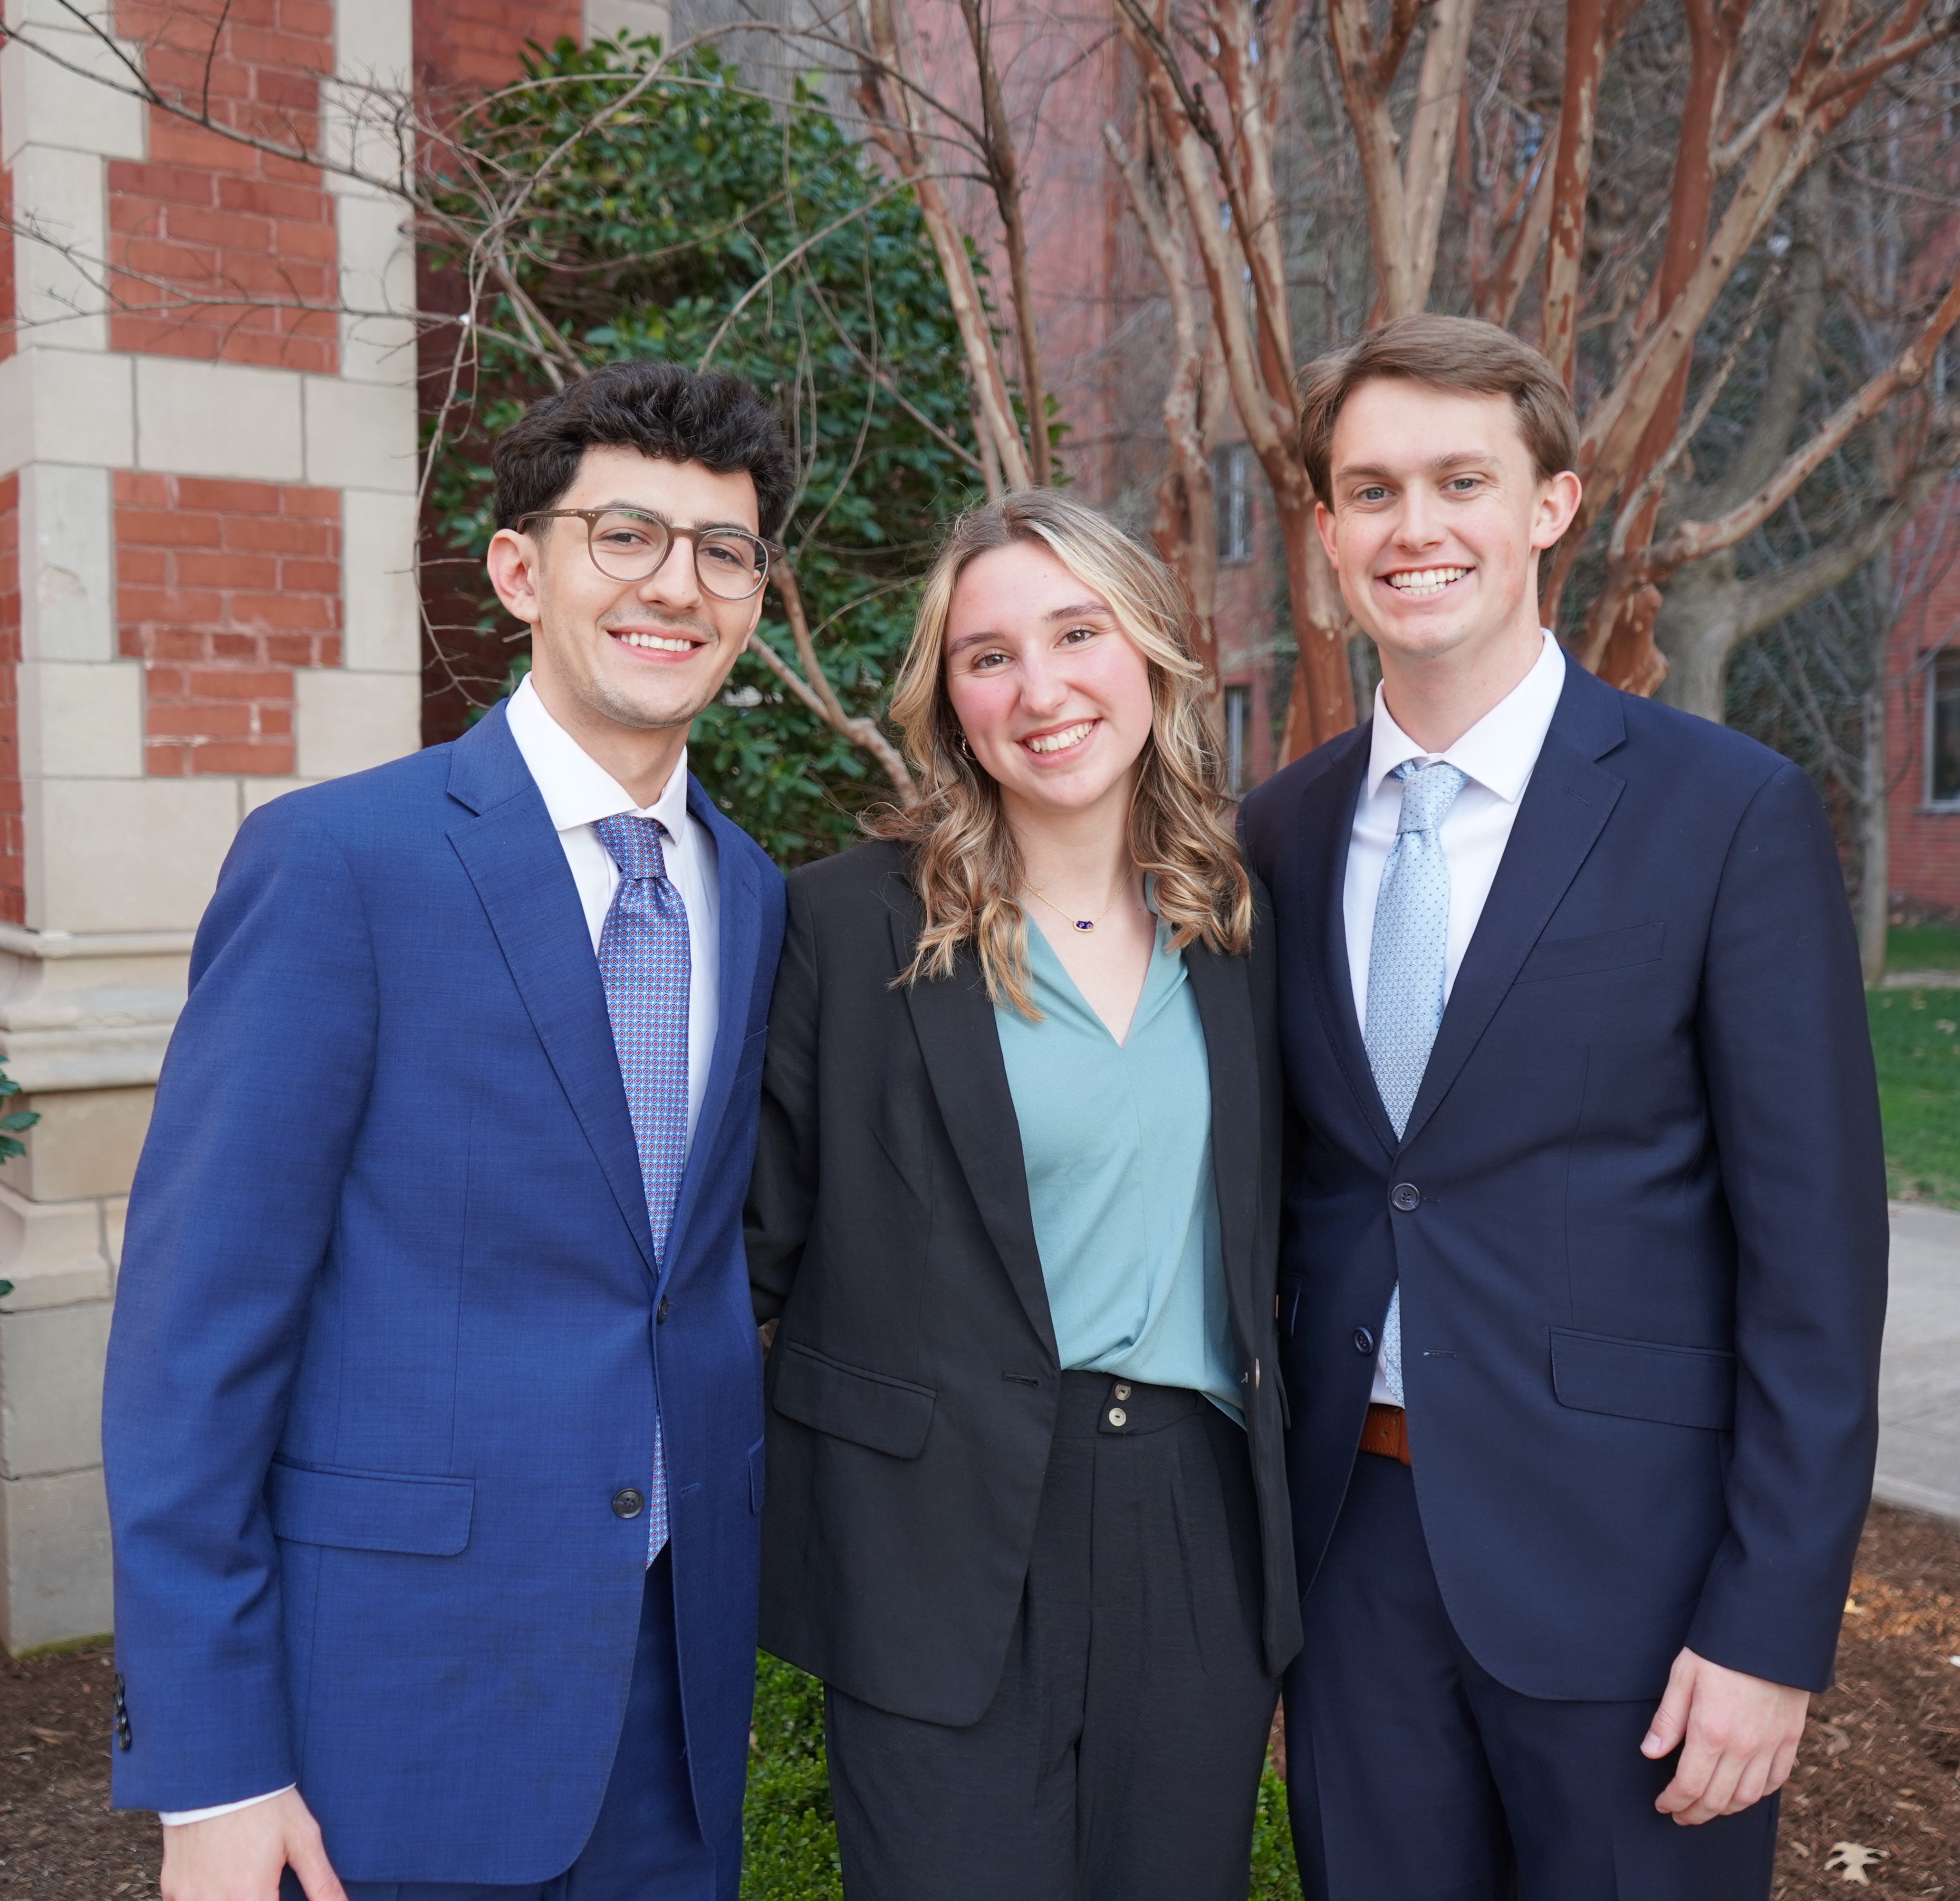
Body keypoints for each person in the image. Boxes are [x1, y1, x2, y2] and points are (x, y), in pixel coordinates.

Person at [101, 361, 794, 1901]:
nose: (676, 585)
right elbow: (191, 1343)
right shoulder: (341, 864)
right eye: (626, 536)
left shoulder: (753, 894)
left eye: (723, 550)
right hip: (392, 1713)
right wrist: (211, 1768)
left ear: (754, 596)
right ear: (519, 569)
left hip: (676, 1706)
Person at [1237, 313, 1889, 1901]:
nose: (1416, 528)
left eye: (1463, 479)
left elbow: (1818, 1270)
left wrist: (1768, 1632)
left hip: (1638, 1581)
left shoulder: (1724, 811)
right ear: (1326, 534)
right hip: (1355, 1564)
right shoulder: (1282, 830)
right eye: (1371, 491)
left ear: (1553, 505)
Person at [745, 491, 1301, 1901]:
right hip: (932, 1531)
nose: (1040, 689)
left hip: (1193, 1521)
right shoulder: (844, 923)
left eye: (1078, 634)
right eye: (989, 655)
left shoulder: (1241, 919)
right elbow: (753, 1251)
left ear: (1154, 660)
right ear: (948, 695)